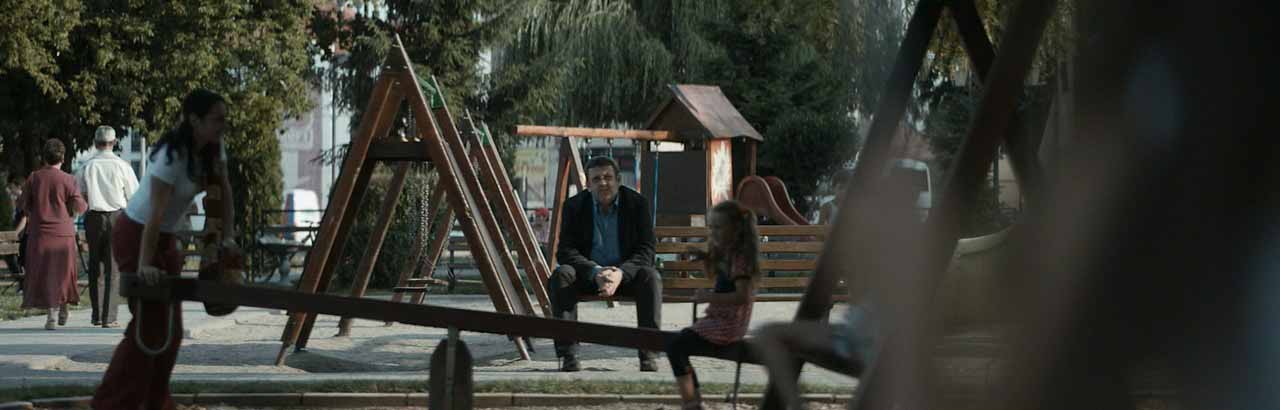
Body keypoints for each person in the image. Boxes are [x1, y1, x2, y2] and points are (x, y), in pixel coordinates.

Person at [92, 89, 234, 410]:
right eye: (217, 119)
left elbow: (224, 193)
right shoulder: (171, 154)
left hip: (165, 238)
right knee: (150, 329)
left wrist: (229, 239)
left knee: (171, 334)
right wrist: (145, 264)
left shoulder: (213, 149)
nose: (223, 126)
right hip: (137, 234)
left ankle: (156, 402)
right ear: (195, 120)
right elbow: (155, 214)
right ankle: (111, 404)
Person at [550, 156, 661, 372]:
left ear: (619, 180)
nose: (603, 183)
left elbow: (646, 250)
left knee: (651, 277)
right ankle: (569, 354)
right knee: (561, 274)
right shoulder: (574, 206)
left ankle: (648, 353)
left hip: (625, 276)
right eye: (596, 179)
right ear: (588, 184)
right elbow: (565, 251)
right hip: (588, 275)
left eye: (608, 177)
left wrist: (620, 273)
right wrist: (595, 271)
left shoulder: (637, 204)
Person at [665, 200, 762, 410]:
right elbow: (716, 273)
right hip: (720, 321)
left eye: (718, 227)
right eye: (711, 227)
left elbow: (742, 296)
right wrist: (702, 256)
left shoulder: (740, 259)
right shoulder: (729, 253)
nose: (713, 232)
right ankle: (694, 401)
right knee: (678, 345)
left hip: (729, 325)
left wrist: (709, 297)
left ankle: (692, 402)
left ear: (735, 229)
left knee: (676, 346)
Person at [18, 139, 87, 330]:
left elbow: (23, 204)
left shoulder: (34, 177)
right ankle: (63, 306)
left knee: (46, 273)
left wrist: (35, 210)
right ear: (63, 158)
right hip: (63, 233)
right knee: (63, 273)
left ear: (44, 157)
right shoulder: (68, 179)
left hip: (40, 233)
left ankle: (51, 315)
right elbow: (80, 206)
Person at [76, 125, 140, 328]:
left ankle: (96, 314)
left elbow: (80, 194)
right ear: (114, 143)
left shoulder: (87, 166)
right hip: (117, 217)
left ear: (96, 143)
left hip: (94, 217)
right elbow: (134, 197)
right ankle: (109, 317)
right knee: (113, 268)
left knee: (95, 266)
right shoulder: (123, 166)